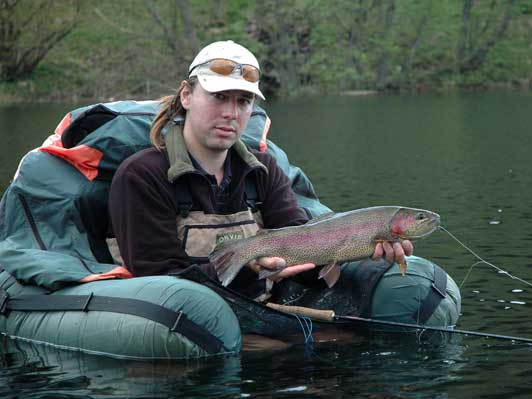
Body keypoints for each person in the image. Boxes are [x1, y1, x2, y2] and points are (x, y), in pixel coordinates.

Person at [108, 40, 413, 298]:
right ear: (186, 95)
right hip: (182, 319)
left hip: (256, 311)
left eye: (244, 101)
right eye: (219, 97)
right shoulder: (141, 175)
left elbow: (304, 251)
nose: (231, 112)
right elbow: (161, 279)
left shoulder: (263, 168)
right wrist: (248, 267)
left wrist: (363, 251)